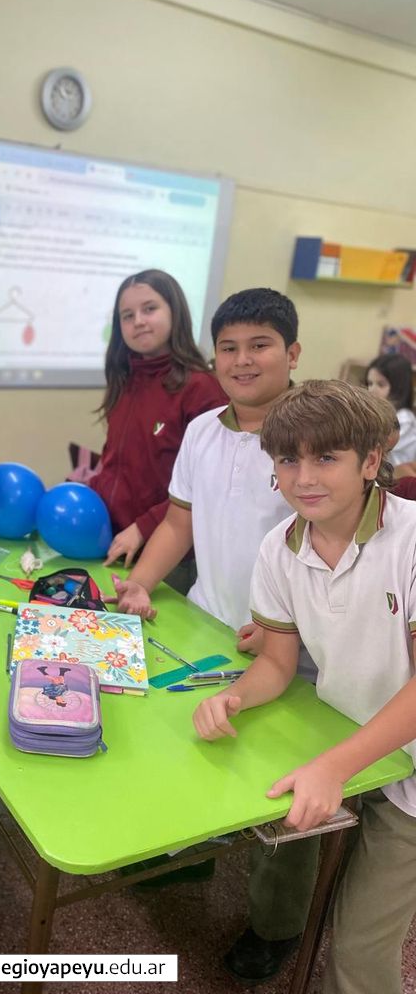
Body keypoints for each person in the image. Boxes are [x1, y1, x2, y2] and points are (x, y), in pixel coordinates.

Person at [116, 288, 319, 981]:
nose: (242, 360)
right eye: (228, 347)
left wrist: (287, 625)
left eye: (260, 345)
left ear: (293, 353)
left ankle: (277, 924)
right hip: (209, 619)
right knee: (195, 740)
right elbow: (180, 521)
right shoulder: (203, 429)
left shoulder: (311, 442)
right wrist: (143, 583)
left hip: (294, 647)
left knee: (283, 786)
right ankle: (190, 851)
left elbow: (332, 544)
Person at [194, 379, 416, 994]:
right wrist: (235, 695)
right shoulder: (279, 547)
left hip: (410, 765)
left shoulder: (411, 541)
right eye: (289, 459)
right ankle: (277, 930)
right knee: (279, 817)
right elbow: (276, 661)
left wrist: (334, 767)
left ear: (370, 462)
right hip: (341, 729)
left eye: (327, 458)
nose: (305, 477)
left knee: (359, 950)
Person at [88, 269, 226, 581]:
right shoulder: (125, 380)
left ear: (175, 312)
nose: (138, 321)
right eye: (127, 315)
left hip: (167, 555)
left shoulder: (202, 388)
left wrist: (143, 527)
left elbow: (205, 487)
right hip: (115, 541)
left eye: (149, 309)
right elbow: (115, 463)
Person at [366, 353, 416, 466]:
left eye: (381, 384)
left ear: (398, 387)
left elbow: (372, 447)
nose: (372, 390)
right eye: (370, 383)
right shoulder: (376, 413)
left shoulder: (404, 419)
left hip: (396, 475)